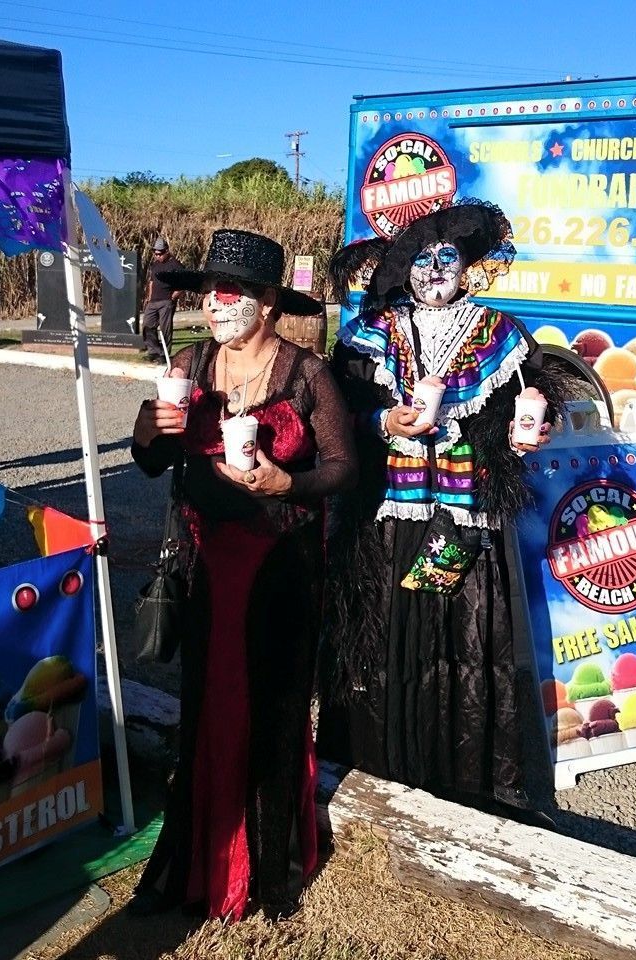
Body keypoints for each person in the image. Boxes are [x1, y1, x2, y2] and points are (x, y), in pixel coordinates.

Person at [317, 200, 578, 823]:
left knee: (464, 644)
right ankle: (377, 761)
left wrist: (527, 431)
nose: (435, 270)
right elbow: (330, 419)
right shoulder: (368, 336)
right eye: (423, 260)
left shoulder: (500, 333)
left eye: (448, 258)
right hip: (386, 516)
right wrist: (381, 419)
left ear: (466, 266)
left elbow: (530, 405)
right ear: (403, 269)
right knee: (384, 639)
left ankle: (464, 776)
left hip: (465, 520)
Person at [128, 229, 357, 922]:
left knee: (274, 710)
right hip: (204, 564)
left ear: (265, 303)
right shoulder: (192, 362)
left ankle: (269, 869)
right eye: (209, 291)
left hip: (283, 568)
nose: (215, 303)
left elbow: (346, 469)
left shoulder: (306, 373)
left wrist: (287, 482)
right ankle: (194, 864)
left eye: (230, 292)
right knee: (205, 708)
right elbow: (148, 463)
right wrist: (152, 426)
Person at [141, 237, 184, 361]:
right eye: (155, 253)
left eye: (159, 253)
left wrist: (173, 297)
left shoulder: (175, 265)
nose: (157, 256)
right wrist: (149, 298)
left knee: (165, 329)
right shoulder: (155, 265)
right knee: (147, 326)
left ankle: (164, 355)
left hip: (166, 301)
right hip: (153, 301)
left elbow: (184, 283)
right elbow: (151, 282)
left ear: (166, 251)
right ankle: (153, 351)